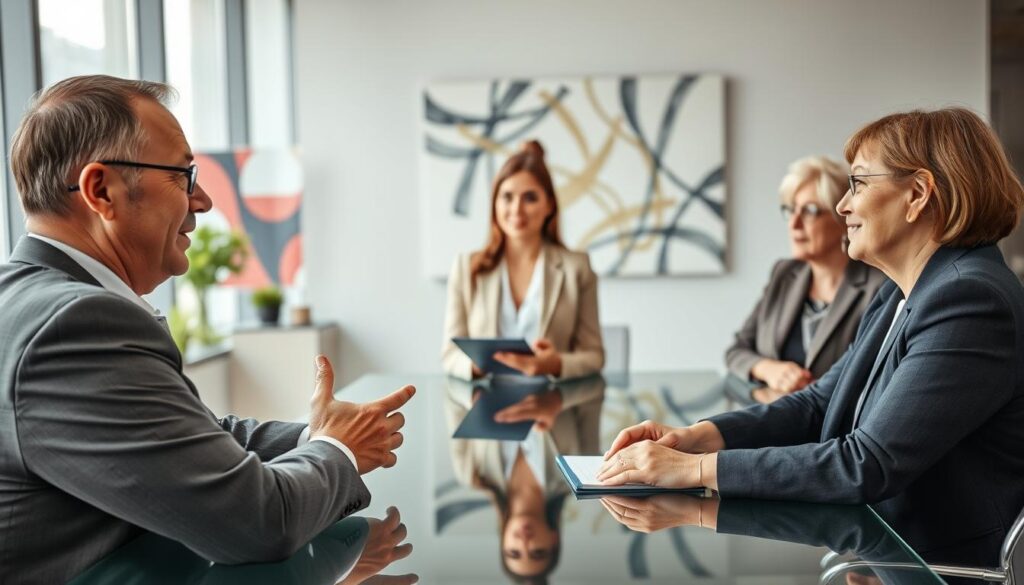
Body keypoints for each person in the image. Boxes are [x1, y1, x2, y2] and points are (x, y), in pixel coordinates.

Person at [0, 75, 414, 584]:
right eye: (182, 176)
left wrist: (315, 434)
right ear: (101, 190)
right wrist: (338, 450)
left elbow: (196, 434)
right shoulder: (75, 326)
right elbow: (259, 523)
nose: (204, 203)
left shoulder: (33, 302)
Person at [600, 107, 1024, 560]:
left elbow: (867, 464)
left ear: (918, 193)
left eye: (858, 183)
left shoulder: (968, 299)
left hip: (933, 562)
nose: (843, 205)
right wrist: (698, 437)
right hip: (882, 544)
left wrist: (696, 470)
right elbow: (818, 402)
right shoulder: (904, 291)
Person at [725, 156, 887, 404]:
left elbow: (869, 381)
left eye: (810, 211)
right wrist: (768, 369)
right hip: (768, 422)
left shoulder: (878, 286)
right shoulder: (784, 274)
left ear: (843, 217)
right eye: (791, 210)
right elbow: (736, 351)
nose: (794, 223)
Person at [442, 140, 604, 379]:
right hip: (485, 401)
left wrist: (554, 364)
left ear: (549, 205)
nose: (516, 209)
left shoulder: (577, 268)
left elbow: (593, 355)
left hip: (555, 407)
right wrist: (476, 365)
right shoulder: (467, 267)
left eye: (530, 198)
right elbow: (450, 355)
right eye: (507, 197)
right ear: (495, 203)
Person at [443, 375, 605, 583]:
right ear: (554, 540)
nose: (525, 543)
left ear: (502, 541)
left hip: (491, 367)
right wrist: (557, 400)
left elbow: (450, 394)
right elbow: (594, 389)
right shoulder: (580, 471)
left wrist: (474, 398)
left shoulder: (471, 473)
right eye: (538, 552)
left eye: (513, 552)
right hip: (549, 363)